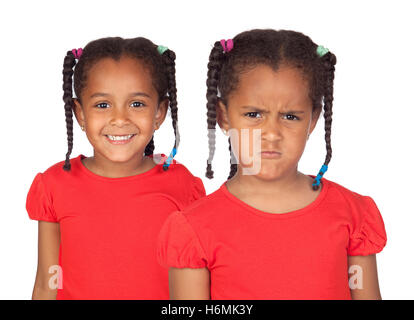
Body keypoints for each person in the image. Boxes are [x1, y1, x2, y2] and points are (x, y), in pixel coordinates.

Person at [157, 29, 386, 299]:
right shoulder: (193, 228)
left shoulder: (353, 215)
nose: (272, 133)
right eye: (254, 114)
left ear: (312, 120)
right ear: (224, 117)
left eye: (290, 116)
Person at [26, 37, 205, 299]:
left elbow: (192, 287)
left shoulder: (182, 185)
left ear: (159, 113)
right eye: (102, 105)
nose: (119, 119)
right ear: (80, 114)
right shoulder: (54, 186)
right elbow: (47, 282)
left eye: (137, 104)